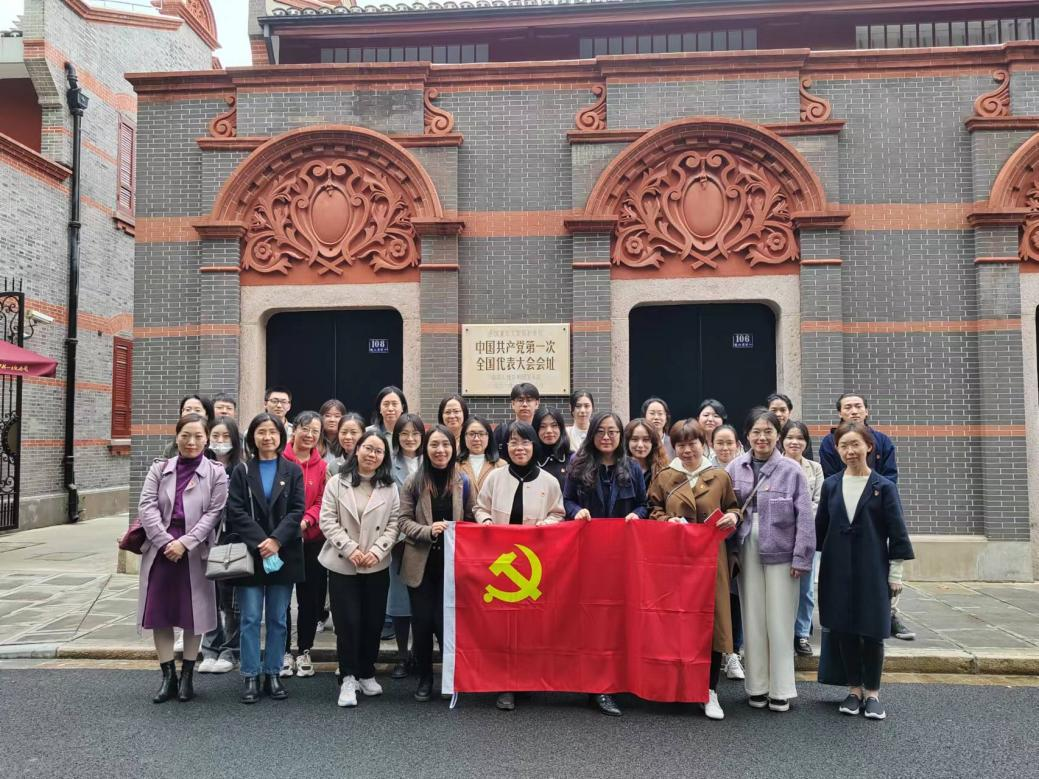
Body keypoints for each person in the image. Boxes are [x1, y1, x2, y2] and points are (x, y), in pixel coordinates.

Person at [815, 421, 914, 721]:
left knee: (872, 632)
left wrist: (896, 574)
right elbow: (821, 530)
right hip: (837, 568)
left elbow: (897, 532)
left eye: (855, 444)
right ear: (837, 449)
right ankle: (854, 690)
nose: (850, 451)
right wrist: (816, 568)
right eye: (844, 445)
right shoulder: (831, 485)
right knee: (843, 628)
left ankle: (872, 693)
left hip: (873, 568)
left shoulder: (883, 487)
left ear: (869, 447)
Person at [648, 419, 740, 721]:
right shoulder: (665, 477)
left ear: (704, 444)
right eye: (681, 445)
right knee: (678, 624)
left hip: (712, 562)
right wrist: (667, 521)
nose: (687, 450)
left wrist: (733, 517)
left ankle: (709, 690)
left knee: (711, 625)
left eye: (693, 444)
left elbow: (733, 507)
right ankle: (677, 687)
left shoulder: (719, 476)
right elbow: (653, 510)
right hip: (676, 563)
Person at [726, 409, 814, 713]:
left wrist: (802, 557)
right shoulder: (735, 467)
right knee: (753, 617)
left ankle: (781, 688)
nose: (762, 437)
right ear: (747, 434)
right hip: (746, 546)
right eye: (756, 432)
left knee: (780, 619)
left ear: (778, 435)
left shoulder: (791, 470)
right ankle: (757, 686)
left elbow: (805, 518)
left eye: (768, 431)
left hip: (783, 551)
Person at [137, 413, 228, 703]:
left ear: (207, 439)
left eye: (198, 436)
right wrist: (166, 542)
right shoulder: (159, 468)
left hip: (194, 551)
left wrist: (186, 543)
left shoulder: (216, 473)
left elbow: (214, 513)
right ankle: (168, 677)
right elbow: (146, 507)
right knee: (160, 615)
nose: (191, 442)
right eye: (185, 435)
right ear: (176, 437)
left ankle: (188, 675)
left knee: (193, 615)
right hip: (161, 550)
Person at [562, 410, 647, 717]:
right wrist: (576, 512)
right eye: (601, 431)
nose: (607, 437)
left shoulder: (631, 467)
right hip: (588, 554)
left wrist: (637, 514)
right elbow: (567, 500)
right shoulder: (578, 464)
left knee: (617, 618)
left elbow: (644, 504)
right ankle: (594, 683)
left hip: (622, 555)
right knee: (591, 618)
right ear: (592, 435)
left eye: (613, 432)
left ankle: (613, 680)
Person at [474, 420, 564, 712]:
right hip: (501, 564)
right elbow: (479, 507)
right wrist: (486, 521)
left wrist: (545, 525)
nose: (519, 448)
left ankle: (527, 678)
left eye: (525, 442)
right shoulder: (495, 478)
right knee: (504, 626)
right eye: (513, 442)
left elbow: (558, 513)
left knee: (530, 625)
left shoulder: (549, 482)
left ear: (533, 445)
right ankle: (506, 684)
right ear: (506, 447)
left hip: (535, 565)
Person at [815, 393, 911, 641]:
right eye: (848, 407)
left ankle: (890, 615)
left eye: (858, 406)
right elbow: (830, 475)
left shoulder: (883, 441)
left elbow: (890, 475)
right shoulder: (828, 446)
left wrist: (873, 493)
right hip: (842, 519)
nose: (854, 411)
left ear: (867, 411)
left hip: (875, 510)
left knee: (878, 580)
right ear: (840, 413)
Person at [224, 413, 305, 704]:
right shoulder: (242, 471)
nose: (267, 437)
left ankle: (272, 672)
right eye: (261, 432)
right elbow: (235, 511)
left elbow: (297, 510)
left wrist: (276, 540)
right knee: (249, 618)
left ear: (281, 436)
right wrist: (262, 541)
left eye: (272, 431)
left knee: (278, 618)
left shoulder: (292, 470)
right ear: (253, 437)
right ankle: (250, 674)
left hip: (284, 552)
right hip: (252, 551)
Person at [319, 431, 401, 708]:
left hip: (376, 564)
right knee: (347, 623)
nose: (372, 455)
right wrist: (350, 549)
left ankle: (367, 672)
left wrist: (377, 551)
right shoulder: (337, 482)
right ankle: (348, 677)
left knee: (373, 622)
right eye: (368, 448)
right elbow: (327, 519)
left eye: (378, 451)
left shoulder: (389, 487)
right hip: (343, 563)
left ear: (384, 457)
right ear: (357, 450)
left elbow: (395, 523)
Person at [398, 425, 476, 702]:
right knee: (421, 623)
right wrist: (427, 531)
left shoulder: (463, 481)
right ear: (426, 449)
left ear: (453, 449)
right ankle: (424, 677)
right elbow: (403, 521)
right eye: (434, 445)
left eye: (445, 445)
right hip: (420, 564)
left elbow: (473, 516)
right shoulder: (413, 482)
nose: (440, 450)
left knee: (447, 624)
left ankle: (449, 677)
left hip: (452, 566)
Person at [280, 411, 328, 680]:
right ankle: (285, 651)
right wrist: (288, 526)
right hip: (283, 541)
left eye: (315, 431)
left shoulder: (322, 466)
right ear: (294, 430)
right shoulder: (279, 460)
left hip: (312, 540)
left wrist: (307, 520)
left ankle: (305, 650)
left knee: (309, 599)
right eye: (305, 429)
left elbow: (323, 500)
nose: (309, 435)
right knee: (282, 599)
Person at [198, 416, 244, 675]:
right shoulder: (200, 467)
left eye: (226, 436)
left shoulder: (241, 470)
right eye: (215, 436)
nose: (220, 441)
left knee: (231, 601)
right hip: (202, 542)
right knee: (208, 598)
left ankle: (230, 650)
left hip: (230, 543)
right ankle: (210, 648)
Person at [387, 412, 425, 679]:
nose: (410, 438)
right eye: (404, 434)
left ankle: (420, 653)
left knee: (424, 602)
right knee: (400, 602)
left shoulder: (431, 459)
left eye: (415, 433)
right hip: (399, 542)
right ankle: (402, 656)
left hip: (427, 540)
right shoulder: (389, 464)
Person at [782, 421, 824, 658]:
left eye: (800, 438)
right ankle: (783, 631)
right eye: (790, 437)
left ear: (806, 443)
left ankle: (801, 634)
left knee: (805, 589)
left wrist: (802, 518)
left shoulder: (815, 469)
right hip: (780, 535)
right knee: (781, 587)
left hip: (807, 534)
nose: (794, 442)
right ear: (782, 440)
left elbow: (818, 501)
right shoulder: (773, 466)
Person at [710, 422, 745, 681]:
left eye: (729, 443)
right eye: (719, 443)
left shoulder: (744, 469)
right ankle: (719, 651)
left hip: (738, 542)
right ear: (711, 445)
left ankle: (733, 653)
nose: (724, 448)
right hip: (713, 545)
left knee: (735, 599)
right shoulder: (706, 470)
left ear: (738, 445)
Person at [457, 415, 505, 495]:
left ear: (489, 437)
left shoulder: (501, 465)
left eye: (481, 434)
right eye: (471, 434)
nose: (476, 439)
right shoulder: (455, 465)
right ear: (464, 437)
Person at [493, 382, 541, 458]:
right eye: (520, 400)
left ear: (537, 404)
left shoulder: (542, 431)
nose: (524, 404)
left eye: (529, 400)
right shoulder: (502, 431)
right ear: (513, 404)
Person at [624, 417, 668, 490]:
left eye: (646, 440)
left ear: (653, 443)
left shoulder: (663, 470)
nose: (640, 445)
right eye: (635, 439)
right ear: (627, 442)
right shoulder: (617, 469)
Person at [766, 393, 814, 460]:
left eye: (783, 410)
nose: (778, 414)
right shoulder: (762, 433)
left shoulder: (800, 432)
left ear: (789, 411)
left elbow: (808, 461)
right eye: (774, 410)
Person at [532, 406, 571, 489]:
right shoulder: (530, 460)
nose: (549, 431)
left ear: (561, 428)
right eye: (543, 426)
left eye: (554, 425)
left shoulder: (572, 459)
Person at [326, 412, 367, 479]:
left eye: (353, 432)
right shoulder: (333, 467)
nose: (348, 437)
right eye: (344, 432)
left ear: (363, 434)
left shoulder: (371, 462)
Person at [696, 398, 728, 464]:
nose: (710, 419)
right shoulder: (692, 442)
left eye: (716, 416)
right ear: (698, 418)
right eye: (706, 415)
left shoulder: (731, 441)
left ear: (723, 420)